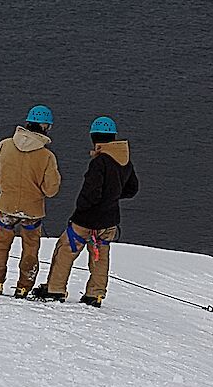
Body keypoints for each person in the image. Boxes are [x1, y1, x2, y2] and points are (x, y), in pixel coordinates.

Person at [41, 116, 139, 306]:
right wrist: (113, 197)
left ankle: (55, 290)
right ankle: (95, 295)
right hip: (109, 220)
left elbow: (90, 194)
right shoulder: (124, 160)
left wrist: (80, 210)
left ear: (94, 137)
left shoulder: (100, 162)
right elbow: (132, 189)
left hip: (86, 220)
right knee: (100, 256)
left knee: (65, 250)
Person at [0, 105, 61, 297]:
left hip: (6, 206)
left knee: (0, 246)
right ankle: (23, 286)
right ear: (45, 127)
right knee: (30, 249)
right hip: (32, 211)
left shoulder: (5, 145)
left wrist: (6, 187)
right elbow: (51, 190)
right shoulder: (47, 156)